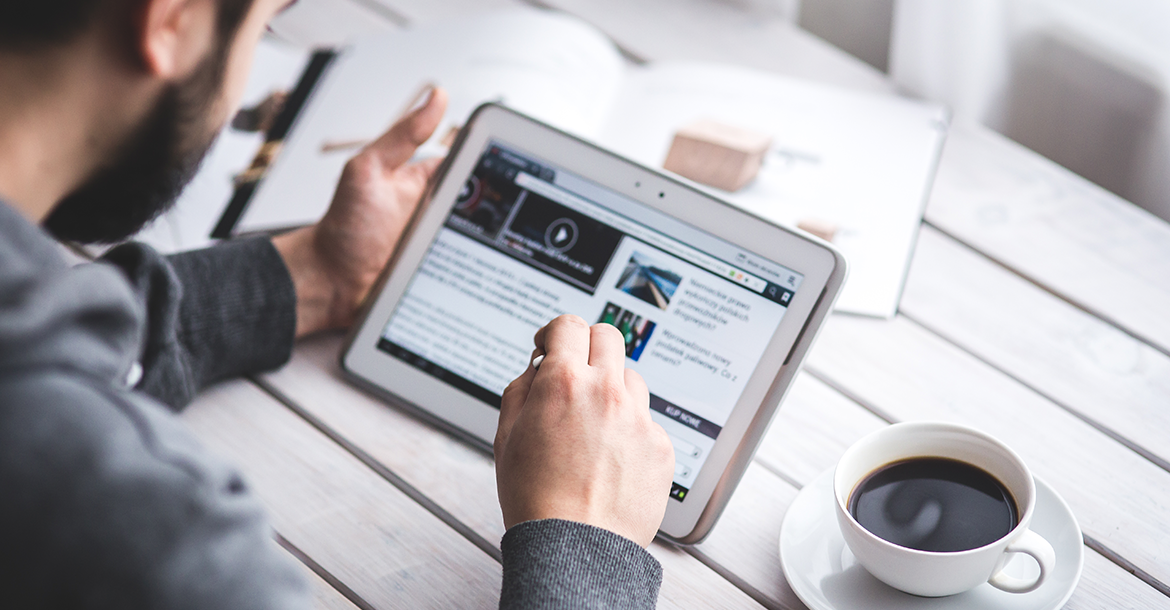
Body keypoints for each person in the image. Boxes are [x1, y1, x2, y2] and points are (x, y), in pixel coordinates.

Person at [0, 0, 677, 608]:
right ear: (172, 17)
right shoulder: (146, 535)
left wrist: (311, 275)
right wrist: (585, 548)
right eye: (265, 24)